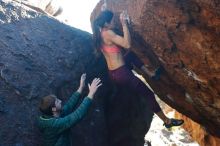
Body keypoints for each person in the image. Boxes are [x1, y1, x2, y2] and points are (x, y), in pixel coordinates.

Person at [92, 10, 183, 128]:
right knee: (149, 94)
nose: (114, 22)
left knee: (130, 55)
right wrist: (124, 24)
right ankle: (167, 121)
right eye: (112, 21)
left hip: (114, 73)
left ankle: (151, 74)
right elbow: (127, 44)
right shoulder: (108, 33)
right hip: (122, 74)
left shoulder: (99, 32)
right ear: (106, 23)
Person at [38, 73, 102, 146]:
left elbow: (69, 106)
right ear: (53, 109)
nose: (60, 101)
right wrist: (91, 94)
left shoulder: (52, 115)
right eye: (57, 102)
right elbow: (77, 115)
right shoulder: (54, 125)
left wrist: (81, 88)